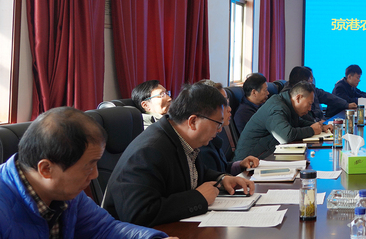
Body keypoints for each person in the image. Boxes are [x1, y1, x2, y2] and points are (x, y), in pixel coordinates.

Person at [0, 107, 195, 239]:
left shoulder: (65, 194)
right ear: (46, 169)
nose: (95, 175)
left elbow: (103, 231)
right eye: (88, 166)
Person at [103, 83, 255, 227]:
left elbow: (194, 173)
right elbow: (139, 213)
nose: (220, 130)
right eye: (218, 123)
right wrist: (197, 198)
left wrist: (223, 178)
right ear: (193, 121)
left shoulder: (180, 137)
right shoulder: (149, 151)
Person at [235, 81, 330, 160]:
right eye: (309, 104)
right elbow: (285, 136)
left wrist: (320, 127)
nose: (310, 109)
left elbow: (298, 122)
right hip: (249, 163)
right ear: (298, 98)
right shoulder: (276, 108)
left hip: (266, 155)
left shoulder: (286, 103)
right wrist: (312, 130)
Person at [197, 80, 260, 175]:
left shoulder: (213, 138)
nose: (229, 109)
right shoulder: (202, 147)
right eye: (224, 104)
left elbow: (223, 168)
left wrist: (241, 165)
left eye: (227, 102)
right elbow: (216, 178)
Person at [283, 66, 352, 121]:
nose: (311, 81)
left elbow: (327, 97)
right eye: (310, 79)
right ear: (302, 82)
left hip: (319, 122)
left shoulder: (311, 89)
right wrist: (317, 122)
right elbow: (302, 118)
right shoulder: (289, 95)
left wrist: (346, 104)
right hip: (313, 125)